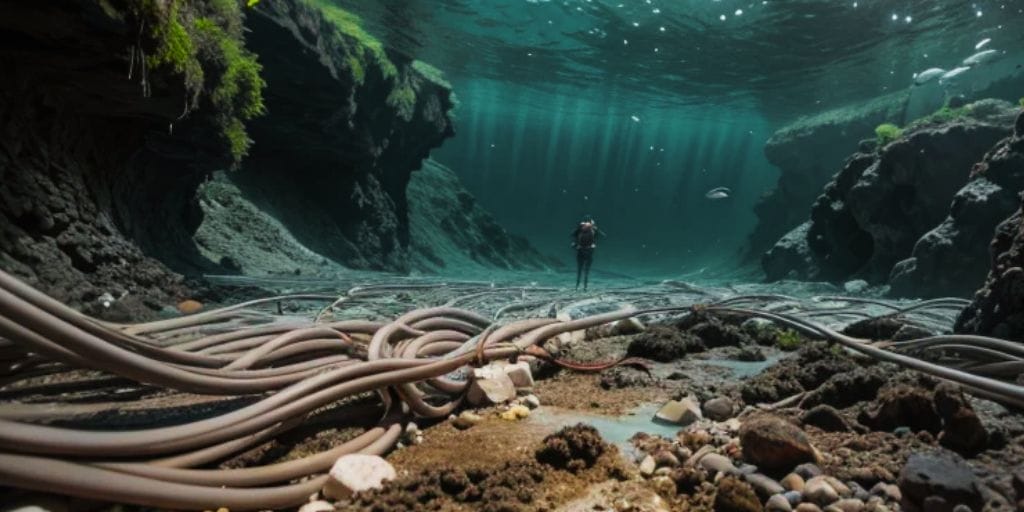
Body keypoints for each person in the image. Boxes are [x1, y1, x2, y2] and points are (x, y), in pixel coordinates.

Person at [571, 215, 602, 290]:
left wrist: (595, 228)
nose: (586, 225)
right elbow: (573, 235)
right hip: (584, 251)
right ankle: (580, 286)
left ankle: (582, 286)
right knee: (582, 269)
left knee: (583, 270)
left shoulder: (591, 230)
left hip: (586, 251)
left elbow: (601, 235)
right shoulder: (582, 229)